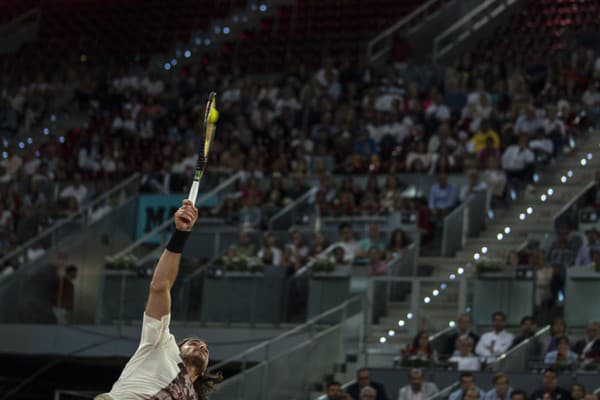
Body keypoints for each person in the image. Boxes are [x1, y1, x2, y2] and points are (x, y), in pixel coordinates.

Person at [95, 200, 221, 399]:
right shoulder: (161, 343)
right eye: (194, 343)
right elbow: (159, 286)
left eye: (203, 347)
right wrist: (180, 234)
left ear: (203, 373)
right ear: (178, 349)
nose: (202, 346)